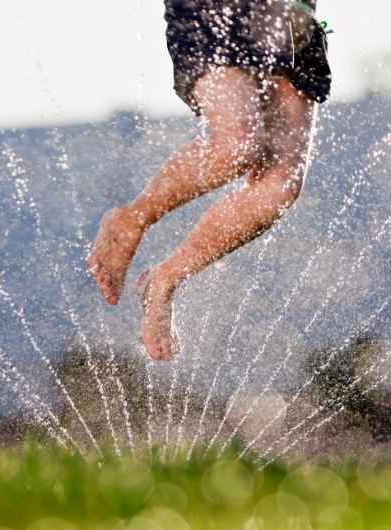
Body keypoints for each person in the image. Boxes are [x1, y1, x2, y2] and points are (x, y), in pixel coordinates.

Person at [88, 0, 331, 360]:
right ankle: (132, 218)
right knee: (237, 144)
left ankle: (165, 279)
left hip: (292, 17)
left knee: (279, 189)